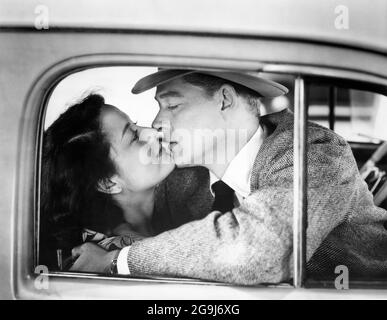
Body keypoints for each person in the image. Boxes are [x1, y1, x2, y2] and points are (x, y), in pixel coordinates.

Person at [70, 70, 387, 284]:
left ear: (224, 100)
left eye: (172, 106)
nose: (156, 122)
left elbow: (257, 249)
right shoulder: (184, 179)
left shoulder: (316, 154)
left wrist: (117, 261)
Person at [40, 93, 174, 271]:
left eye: (136, 125)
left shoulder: (183, 197)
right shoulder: (109, 262)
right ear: (108, 184)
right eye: (134, 136)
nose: (152, 132)